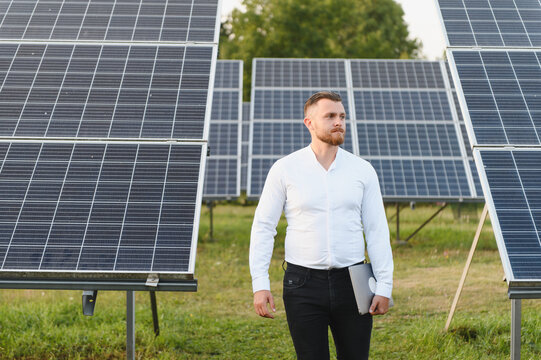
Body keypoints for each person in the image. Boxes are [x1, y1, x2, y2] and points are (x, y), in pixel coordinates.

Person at [249, 91, 393, 360]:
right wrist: (260, 283)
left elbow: (377, 230)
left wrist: (384, 286)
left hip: (354, 281)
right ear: (309, 123)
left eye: (342, 116)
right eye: (330, 116)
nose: (338, 122)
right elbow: (264, 227)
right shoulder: (285, 169)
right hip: (302, 283)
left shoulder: (362, 170)